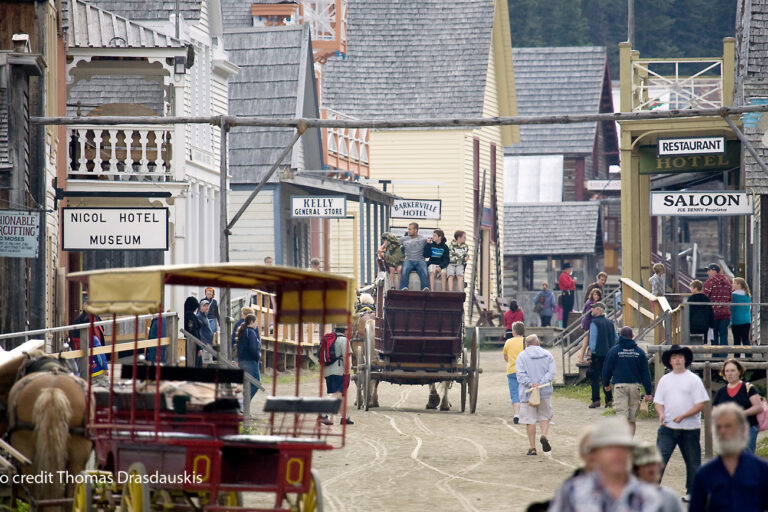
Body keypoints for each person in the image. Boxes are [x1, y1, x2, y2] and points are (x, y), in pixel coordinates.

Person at [549, 417, 662, 512]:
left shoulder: (650, 495)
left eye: (623, 448)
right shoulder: (572, 491)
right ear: (596, 453)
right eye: (610, 448)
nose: (617, 454)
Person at [654, 344, 709, 501]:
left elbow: (701, 404)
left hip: (690, 428)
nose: (677, 360)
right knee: (659, 458)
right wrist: (661, 414)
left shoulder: (694, 380)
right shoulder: (665, 380)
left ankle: (693, 492)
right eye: (674, 358)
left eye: (680, 357)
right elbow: (658, 402)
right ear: (670, 361)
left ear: (685, 360)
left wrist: (684, 415)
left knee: (693, 460)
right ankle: (652, 489)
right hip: (668, 427)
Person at [689, 403, 768, 512]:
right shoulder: (704, 474)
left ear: (743, 430)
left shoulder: (762, 470)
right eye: (718, 427)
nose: (722, 431)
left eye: (728, 426)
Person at [602, 326, 653, 435]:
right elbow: (645, 373)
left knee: (621, 415)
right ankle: (629, 442)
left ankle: (623, 441)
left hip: (620, 386)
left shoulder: (614, 351)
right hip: (635, 386)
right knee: (632, 419)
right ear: (632, 336)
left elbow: (606, 369)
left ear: (620, 335)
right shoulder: (639, 352)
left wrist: (606, 383)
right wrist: (648, 391)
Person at [515, 334, 556, 455]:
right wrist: (541, 383)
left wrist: (531, 383)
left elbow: (520, 375)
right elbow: (552, 372)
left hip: (528, 393)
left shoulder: (521, 356)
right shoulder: (548, 354)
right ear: (538, 343)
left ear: (526, 345)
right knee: (544, 415)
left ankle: (532, 448)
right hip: (544, 390)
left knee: (530, 419)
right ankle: (543, 435)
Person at [712, 358, 762, 453]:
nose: (730, 373)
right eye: (727, 371)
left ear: (739, 372)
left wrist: (741, 413)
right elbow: (714, 411)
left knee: (747, 458)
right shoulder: (721, 392)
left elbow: (758, 407)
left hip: (748, 427)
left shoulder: (749, 388)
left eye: (732, 370)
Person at [632, 443, 684, 512]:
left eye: (654, 464)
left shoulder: (670, 498)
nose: (652, 468)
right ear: (636, 469)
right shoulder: (627, 497)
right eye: (647, 464)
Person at [319, 325, 353, 426]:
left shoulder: (328, 339)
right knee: (337, 394)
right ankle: (323, 414)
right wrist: (347, 372)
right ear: (345, 330)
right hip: (339, 371)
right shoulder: (344, 340)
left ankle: (344, 417)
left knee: (339, 394)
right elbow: (345, 357)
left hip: (327, 370)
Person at [586, 302, 617, 409]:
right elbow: (616, 338)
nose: (592, 310)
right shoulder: (610, 322)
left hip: (598, 355)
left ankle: (596, 400)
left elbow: (593, 341)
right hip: (609, 354)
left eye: (594, 308)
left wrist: (590, 352)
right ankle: (609, 400)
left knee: (594, 378)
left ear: (599, 310)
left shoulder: (594, 323)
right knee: (606, 378)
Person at [702, 263, 732, 351]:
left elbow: (705, 297)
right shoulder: (727, 282)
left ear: (715, 271)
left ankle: (715, 356)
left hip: (713, 313)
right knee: (723, 335)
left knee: (714, 336)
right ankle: (723, 355)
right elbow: (730, 297)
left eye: (709, 270)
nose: (707, 273)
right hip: (726, 313)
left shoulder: (710, 282)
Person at [503, 321, 526, 424]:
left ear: (514, 332)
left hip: (512, 371)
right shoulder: (526, 342)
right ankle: (526, 414)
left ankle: (516, 414)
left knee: (514, 393)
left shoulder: (508, 342)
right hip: (524, 372)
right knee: (525, 393)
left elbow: (505, 357)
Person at [236, 314, 262, 402]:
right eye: (256, 322)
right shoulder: (251, 332)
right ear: (251, 322)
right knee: (256, 383)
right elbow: (253, 348)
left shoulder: (243, 331)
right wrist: (258, 356)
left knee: (247, 384)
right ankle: (243, 404)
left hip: (242, 361)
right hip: (250, 361)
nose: (257, 324)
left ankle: (244, 406)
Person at [399, 222, 429, 290]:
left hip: (420, 260)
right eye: (408, 229)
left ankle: (425, 289)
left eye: (410, 229)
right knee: (405, 270)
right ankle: (403, 288)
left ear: (415, 230)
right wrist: (382, 248)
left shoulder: (423, 239)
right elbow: (392, 242)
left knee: (424, 271)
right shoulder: (404, 239)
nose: (408, 231)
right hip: (408, 260)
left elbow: (436, 242)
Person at [578, 288, 604, 363]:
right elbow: (589, 314)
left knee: (588, 342)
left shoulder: (594, 302)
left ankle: (586, 356)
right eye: (595, 295)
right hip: (588, 323)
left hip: (589, 322)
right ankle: (581, 358)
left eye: (598, 295)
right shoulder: (590, 302)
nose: (596, 296)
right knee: (585, 342)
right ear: (592, 295)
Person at [731, 277, 752, 351]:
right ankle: (749, 356)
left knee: (736, 341)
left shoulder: (733, 295)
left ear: (739, 285)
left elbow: (731, 308)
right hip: (747, 320)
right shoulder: (747, 295)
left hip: (736, 320)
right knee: (746, 339)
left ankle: (737, 358)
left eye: (734, 283)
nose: (732, 285)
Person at [196, 299, 215, 367]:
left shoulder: (205, 317)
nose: (207, 307)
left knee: (208, 363)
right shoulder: (199, 317)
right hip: (205, 344)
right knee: (205, 363)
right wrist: (203, 346)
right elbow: (199, 332)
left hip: (208, 344)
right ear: (200, 307)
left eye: (208, 306)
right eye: (205, 306)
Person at [558, 263, 577, 328]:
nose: (571, 270)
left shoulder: (567, 276)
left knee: (569, 310)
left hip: (569, 294)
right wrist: (573, 281)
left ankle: (567, 325)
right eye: (570, 269)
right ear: (567, 269)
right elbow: (567, 285)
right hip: (567, 294)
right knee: (566, 311)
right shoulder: (563, 275)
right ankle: (565, 326)